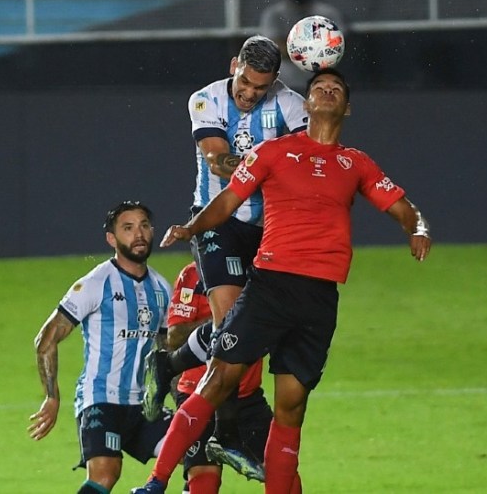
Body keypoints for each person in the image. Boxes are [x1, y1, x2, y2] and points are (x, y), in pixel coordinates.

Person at [130, 68, 432, 494]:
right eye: (319, 88)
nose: (326, 91)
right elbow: (228, 200)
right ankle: (155, 481)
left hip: (319, 297)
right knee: (218, 379)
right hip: (270, 287)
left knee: (292, 407)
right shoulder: (273, 152)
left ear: (347, 107)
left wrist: (417, 228)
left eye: (336, 89)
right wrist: (192, 228)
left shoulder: (356, 163)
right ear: (306, 105)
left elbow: (401, 206)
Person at [145, 34, 307, 479]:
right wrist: (273, 165)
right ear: (234, 65)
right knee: (232, 322)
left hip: (268, 230)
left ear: (275, 82)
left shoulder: (292, 106)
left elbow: (308, 159)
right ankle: (226, 434)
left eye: (261, 87)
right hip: (216, 219)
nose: (250, 93)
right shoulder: (206, 100)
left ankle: (169, 363)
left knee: (245, 331)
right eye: (245, 82)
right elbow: (218, 160)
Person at [28, 201, 174, 494]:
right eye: (128, 228)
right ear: (112, 239)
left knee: (196, 452)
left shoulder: (161, 289)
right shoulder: (96, 283)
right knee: (106, 473)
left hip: (142, 405)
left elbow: (167, 354)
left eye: (144, 226)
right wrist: (52, 397)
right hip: (101, 399)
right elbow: (46, 340)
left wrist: (183, 401)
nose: (139, 234)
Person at [162, 261, 273, 493]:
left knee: (281, 469)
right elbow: (174, 336)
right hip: (200, 393)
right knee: (204, 479)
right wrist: (221, 322)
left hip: (246, 395)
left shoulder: (258, 271)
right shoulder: (194, 274)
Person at [260, 0, 347, 95]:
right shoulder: (273, 15)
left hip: (324, 86)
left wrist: (295, 46)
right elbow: (277, 48)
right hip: (285, 87)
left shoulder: (329, 13)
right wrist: (317, 47)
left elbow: (335, 46)